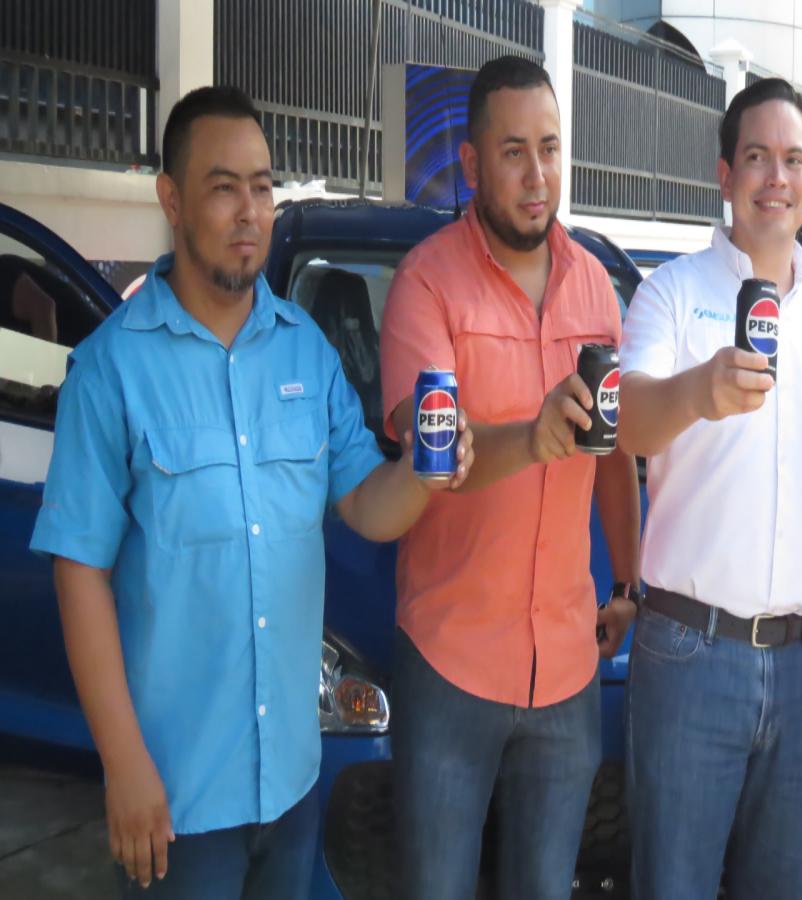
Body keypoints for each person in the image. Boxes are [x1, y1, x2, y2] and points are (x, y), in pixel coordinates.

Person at [29, 85, 472, 899]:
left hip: (293, 782)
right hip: (177, 796)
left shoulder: (305, 353)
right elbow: (78, 571)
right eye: (223, 186)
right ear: (172, 199)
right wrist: (123, 764)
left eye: (263, 186)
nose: (249, 211)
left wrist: (424, 472)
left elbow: (365, 506)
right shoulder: (114, 369)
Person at [617, 77, 802, 899]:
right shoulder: (671, 293)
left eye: (795, 160)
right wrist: (698, 391)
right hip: (689, 656)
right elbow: (626, 422)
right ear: (725, 173)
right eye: (758, 158)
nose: (777, 176)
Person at [379, 56, 641, 900]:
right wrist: (528, 439)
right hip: (450, 664)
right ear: (472, 163)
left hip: (566, 669)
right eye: (515, 152)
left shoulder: (595, 286)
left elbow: (612, 459)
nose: (538, 177)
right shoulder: (426, 284)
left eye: (552, 149)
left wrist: (628, 580)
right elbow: (434, 457)